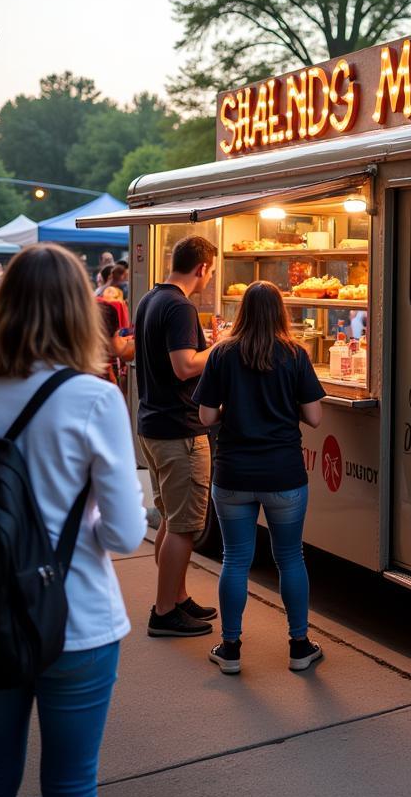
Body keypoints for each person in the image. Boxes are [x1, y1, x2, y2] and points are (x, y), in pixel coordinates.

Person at [0, 243, 146, 797]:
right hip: (76, 617)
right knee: (72, 784)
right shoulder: (94, 399)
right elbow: (124, 532)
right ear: (80, 311)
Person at [193, 281, 325, 674]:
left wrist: (234, 410)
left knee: (235, 559)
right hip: (283, 474)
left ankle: (230, 649)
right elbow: (315, 416)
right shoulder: (295, 355)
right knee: (290, 558)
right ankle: (300, 646)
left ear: (243, 312)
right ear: (281, 312)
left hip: (233, 472)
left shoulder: (222, 354)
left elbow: (205, 417)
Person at [135, 234, 223, 637]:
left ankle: (177, 596)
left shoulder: (150, 299)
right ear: (202, 267)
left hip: (153, 425)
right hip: (179, 431)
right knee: (185, 525)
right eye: (211, 271)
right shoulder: (181, 306)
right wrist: (220, 349)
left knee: (170, 519)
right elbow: (185, 367)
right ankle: (165, 610)